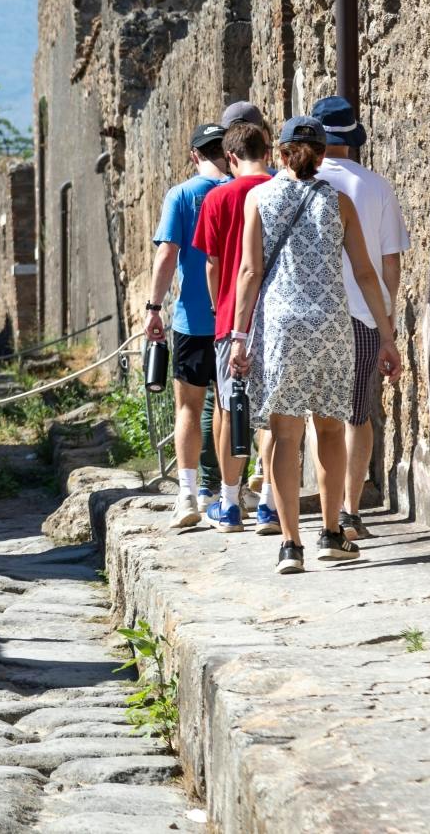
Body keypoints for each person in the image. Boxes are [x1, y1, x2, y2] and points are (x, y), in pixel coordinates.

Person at [226, 116, 401, 574]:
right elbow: (366, 273)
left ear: (280, 154)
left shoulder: (258, 199)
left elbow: (249, 273)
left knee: (285, 435)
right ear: (323, 156)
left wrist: (239, 336)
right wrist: (386, 334)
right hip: (332, 327)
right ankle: (330, 533)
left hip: (281, 328)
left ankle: (290, 546)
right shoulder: (339, 202)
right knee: (329, 429)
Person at [312, 95, 411, 543]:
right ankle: (350, 510)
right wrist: (387, 318)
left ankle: (324, 512)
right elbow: (389, 263)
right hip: (364, 317)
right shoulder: (376, 187)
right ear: (352, 138)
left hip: (313, 315)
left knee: (320, 416)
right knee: (358, 414)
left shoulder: (299, 183)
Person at [140, 121, 228, 528]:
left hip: (191, 320)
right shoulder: (242, 192)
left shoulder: (182, 195)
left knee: (188, 408)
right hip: (235, 318)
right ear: (227, 151)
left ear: (195, 155)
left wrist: (153, 307)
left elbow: (166, 255)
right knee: (230, 406)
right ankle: (229, 497)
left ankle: (188, 496)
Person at [191, 116, 273, 532]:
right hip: (275, 317)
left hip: (230, 317)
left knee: (230, 407)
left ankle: (230, 504)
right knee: (277, 412)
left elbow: (212, 263)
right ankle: (271, 504)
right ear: (269, 151)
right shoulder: (282, 191)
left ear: (230, 156)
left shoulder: (217, 200)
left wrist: (216, 305)